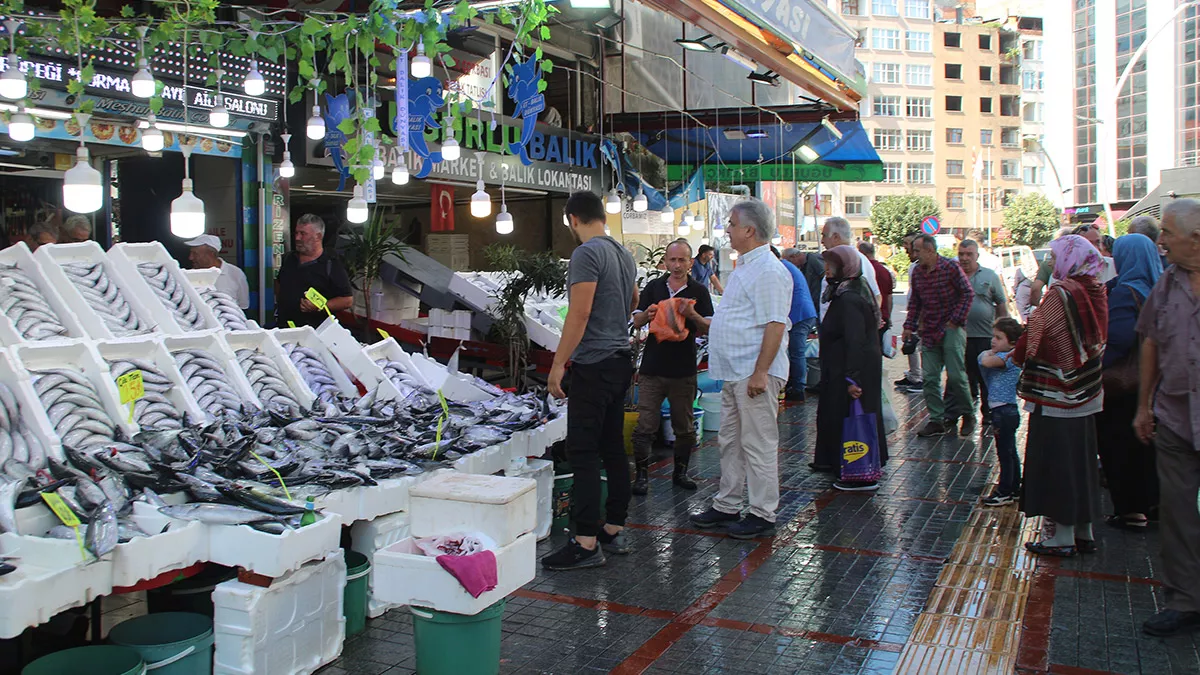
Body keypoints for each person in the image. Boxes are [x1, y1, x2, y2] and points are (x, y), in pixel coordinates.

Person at [543, 191, 638, 571]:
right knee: (613, 447)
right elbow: (632, 300)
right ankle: (612, 529)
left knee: (582, 451)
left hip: (593, 365)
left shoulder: (586, 254)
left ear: (572, 219)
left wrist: (557, 365)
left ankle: (584, 542)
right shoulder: (622, 252)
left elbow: (578, 315)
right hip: (619, 362)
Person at [689, 199, 791, 539]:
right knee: (730, 441)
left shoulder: (769, 270)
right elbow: (736, 318)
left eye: (731, 224)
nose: (727, 230)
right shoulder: (745, 267)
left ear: (750, 230)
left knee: (758, 443)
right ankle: (727, 504)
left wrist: (761, 372)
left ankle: (763, 513)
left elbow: (775, 325)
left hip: (753, 372)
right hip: (736, 371)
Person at [1014, 235, 1107, 558]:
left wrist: (1015, 353)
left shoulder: (1062, 294)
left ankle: (1062, 536)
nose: (1051, 262)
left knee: (1059, 461)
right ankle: (1085, 531)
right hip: (1088, 389)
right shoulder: (1095, 288)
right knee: (1082, 461)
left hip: (1057, 392)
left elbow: (1035, 334)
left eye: (1055, 256)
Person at [1134, 199, 1200, 637]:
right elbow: (1151, 343)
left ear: (1195, 239)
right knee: (1177, 514)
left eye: (1168, 235)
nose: (1161, 242)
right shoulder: (1167, 283)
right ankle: (1185, 601)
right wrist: (1143, 405)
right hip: (1175, 415)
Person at [630, 240, 713, 495]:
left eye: (682, 260)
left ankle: (681, 473)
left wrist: (691, 315)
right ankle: (642, 476)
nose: (677, 265)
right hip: (653, 368)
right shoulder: (654, 287)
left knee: (684, 427)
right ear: (665, 261)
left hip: (683, 370)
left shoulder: (699, 291)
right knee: (645, 425)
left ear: (690, 262)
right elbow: (636, 320)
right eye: (672, 260)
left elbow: (709, 327)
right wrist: (648, 315)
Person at [1098, 233, 1162, 532]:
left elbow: (1119, 339)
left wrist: (1096, 364)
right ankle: (1153, 504)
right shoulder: (1161, 287)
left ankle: (1131, 511)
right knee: (1149, 449)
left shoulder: (1126, 292)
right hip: (1157, 383)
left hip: (1125, 387)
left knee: (1120, 446)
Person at [811, 246, 888, 490]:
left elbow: (856, 341)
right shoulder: (847, 291)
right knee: (842, 416)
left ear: (845, 268)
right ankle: (838, 463)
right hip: (844, 369)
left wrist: (853, 379)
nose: (826, 271)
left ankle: (858, 471)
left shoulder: (849, 298)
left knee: (852, 419)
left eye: (830, 266)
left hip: (852, 371)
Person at [903, 234, 974, 437]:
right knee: (930, 378)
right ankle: (936, 419)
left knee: (956, 375)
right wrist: (909, 325)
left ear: (930, 251)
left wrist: (956, 320)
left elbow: (967, 293)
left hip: (951, 328)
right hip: (930, 330)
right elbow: (915, 301)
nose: (914, 254)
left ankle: (968, 414)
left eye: (917, 250)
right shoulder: (917, 272)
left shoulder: (950, 268)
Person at [948, 239, 1009, 432]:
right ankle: (955, 415)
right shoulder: (952, 276)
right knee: (959, 377)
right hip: (959, 336)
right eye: (962, 254)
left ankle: (988, 415)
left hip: (984, 336)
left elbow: (1000, 304)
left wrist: (1003, 333)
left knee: (986, 377)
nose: (965, 258)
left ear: (977, 256)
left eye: (969, 254)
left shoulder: (989, 276)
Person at [275, 214, 354, 329]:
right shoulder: (289, 258)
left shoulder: (331, 264)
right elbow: (279, 284)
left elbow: (347, 300)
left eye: (303, 234)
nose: (297, 238)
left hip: (314, 333)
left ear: (318, 236)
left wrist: (319, 306)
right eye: (296, 233)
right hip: (284, 328)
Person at [978, 318, 1024, 506]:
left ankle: (1004, 490)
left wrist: (986, 354)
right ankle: (1014, 487)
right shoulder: (1007, 356)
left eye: (999, 337)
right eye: (993, 336)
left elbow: (985, 362)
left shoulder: (1010, 358)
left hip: (1003, 412)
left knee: (1005, 453)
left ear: (1012, 342)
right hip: (1004, 411)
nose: (993, 341)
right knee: (1010, 450)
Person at [775, 247, 818, 402]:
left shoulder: (780, 267)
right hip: (802, 313)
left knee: (796, 352)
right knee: (795, 352)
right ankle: (794, 385)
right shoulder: (787, 266)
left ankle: (797, 389)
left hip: (800, 315)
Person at [818, 217, 881, 321]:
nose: (822, 241)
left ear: (835, 237)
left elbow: (875, 297)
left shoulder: (854, 261)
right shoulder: (857, 259)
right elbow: (876, 297)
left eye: (824, 236)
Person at [183, 234, 250, 310]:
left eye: (195, 254)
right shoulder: (189, 276)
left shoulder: (235, 274)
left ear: (211, 254)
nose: (190, 257)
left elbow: (243, 305)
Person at [895, 234, 924, 392]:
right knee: (912, 344)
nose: (905, 248)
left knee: (918, 345)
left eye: (907, 244)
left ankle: (921, 378)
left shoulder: (921, 266)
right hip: (914, 312)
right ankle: (915, 375)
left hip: (921, 315)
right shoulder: (914, 266)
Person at [857, 241, 895, 336]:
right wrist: (888, 316)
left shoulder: (862, 270)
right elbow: (889, 297)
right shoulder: (885, 271)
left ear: (862, 253)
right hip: (883, 316)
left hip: (868, 318)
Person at [783, 248, 824, 316]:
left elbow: (823, 275)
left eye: (789, 261)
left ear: (794, 256)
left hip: (819, 302)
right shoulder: (802, 266)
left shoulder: (812, 258)